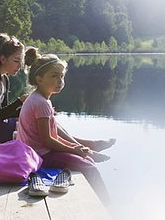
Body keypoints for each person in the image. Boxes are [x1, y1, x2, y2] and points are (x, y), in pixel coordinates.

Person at [17, 47, 115, 203]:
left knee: (86, 159)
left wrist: (75, 148)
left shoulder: (38, 98)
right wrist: (73, 149)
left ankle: (91, 151)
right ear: (39, 79)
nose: (60, 81)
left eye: (61, 76)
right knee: (90, 167)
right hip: (39, 156)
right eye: (54, 76)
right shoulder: (41, 103)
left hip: (36, 151)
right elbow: (47, 141)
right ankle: (108, 205)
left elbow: (52, 134)